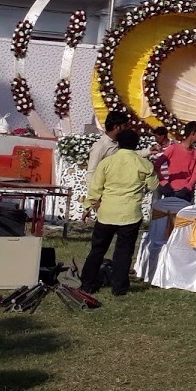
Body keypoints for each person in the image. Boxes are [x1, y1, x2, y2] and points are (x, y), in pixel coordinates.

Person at [80, 127, 158, 296]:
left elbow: (95, 188)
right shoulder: (145, 164)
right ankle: (119, 288)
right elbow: (153, 186)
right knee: (123, 253)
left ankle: (87, 283)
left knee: (97, 250)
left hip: (106, 213)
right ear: (136, 144)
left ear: (118, 143)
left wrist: (88, 206)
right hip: (130, 214)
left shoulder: (107, 163)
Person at [162, 120, 196, 202]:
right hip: (171, 190)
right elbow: (156, 165)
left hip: (186, 193)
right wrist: (164, 183)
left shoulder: (195, 152)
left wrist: (188, 187)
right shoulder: (173, 148)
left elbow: (195, 173)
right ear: (193, 133)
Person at [86, 110, 131, 175]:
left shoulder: (120, 142)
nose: (126, 128)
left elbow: (131, 155)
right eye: (124, 125)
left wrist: (149, 151)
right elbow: (91, 173)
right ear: (116, 127)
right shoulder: (100, 147)